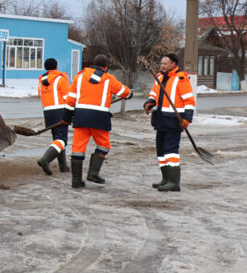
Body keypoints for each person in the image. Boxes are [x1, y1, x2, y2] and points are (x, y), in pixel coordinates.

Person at [63, 54, 132, 188]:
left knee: (78, 148)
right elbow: (125, 92)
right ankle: (93, 174)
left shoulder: (80, 76)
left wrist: (66, 117)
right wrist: (130, 94)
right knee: (103, 145)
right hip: (100, 119)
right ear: (106, 67)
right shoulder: (109, 79)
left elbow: (71, 99)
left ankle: (76, 181)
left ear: (92, 64)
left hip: (81, 117)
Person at [143, 53, 195, 192]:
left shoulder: (180, 78)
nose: (162, 66)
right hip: (160, 119)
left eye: (165, 64)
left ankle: (173, 182)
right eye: (161, 63)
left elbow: (189, 101)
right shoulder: (159, 77)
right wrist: (149, 103)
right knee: (161, 150)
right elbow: (154, 94)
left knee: (171, 150)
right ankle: (165, 179)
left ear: (173, 64)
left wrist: (187, 119)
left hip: (173, 121)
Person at [36, 58, 70, 175]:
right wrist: (71, 113)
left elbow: (40, 95)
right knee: (61, 139)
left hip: (48, 113)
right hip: (60, 111)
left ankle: (63, 166)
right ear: (56, 66)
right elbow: (68, 98)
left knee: (57, 138)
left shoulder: (41, 81)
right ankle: (45, 160)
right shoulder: (61, 79)